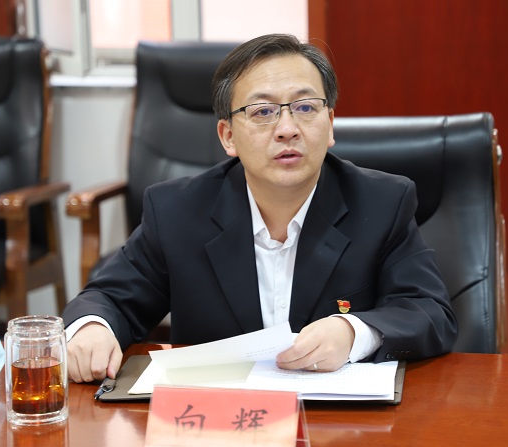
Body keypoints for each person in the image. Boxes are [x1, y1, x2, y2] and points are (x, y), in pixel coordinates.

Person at [63, 33, 458, 383]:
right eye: (263, 112)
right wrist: (92, 328)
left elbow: (430, 311)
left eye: (306, 107)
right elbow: (109, 298)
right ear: (228, 136)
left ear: (330, 124)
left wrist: (354, 331)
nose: (287, 129)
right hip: (218, 423)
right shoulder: (177, 212)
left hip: (340, 425)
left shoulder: (382, 203)